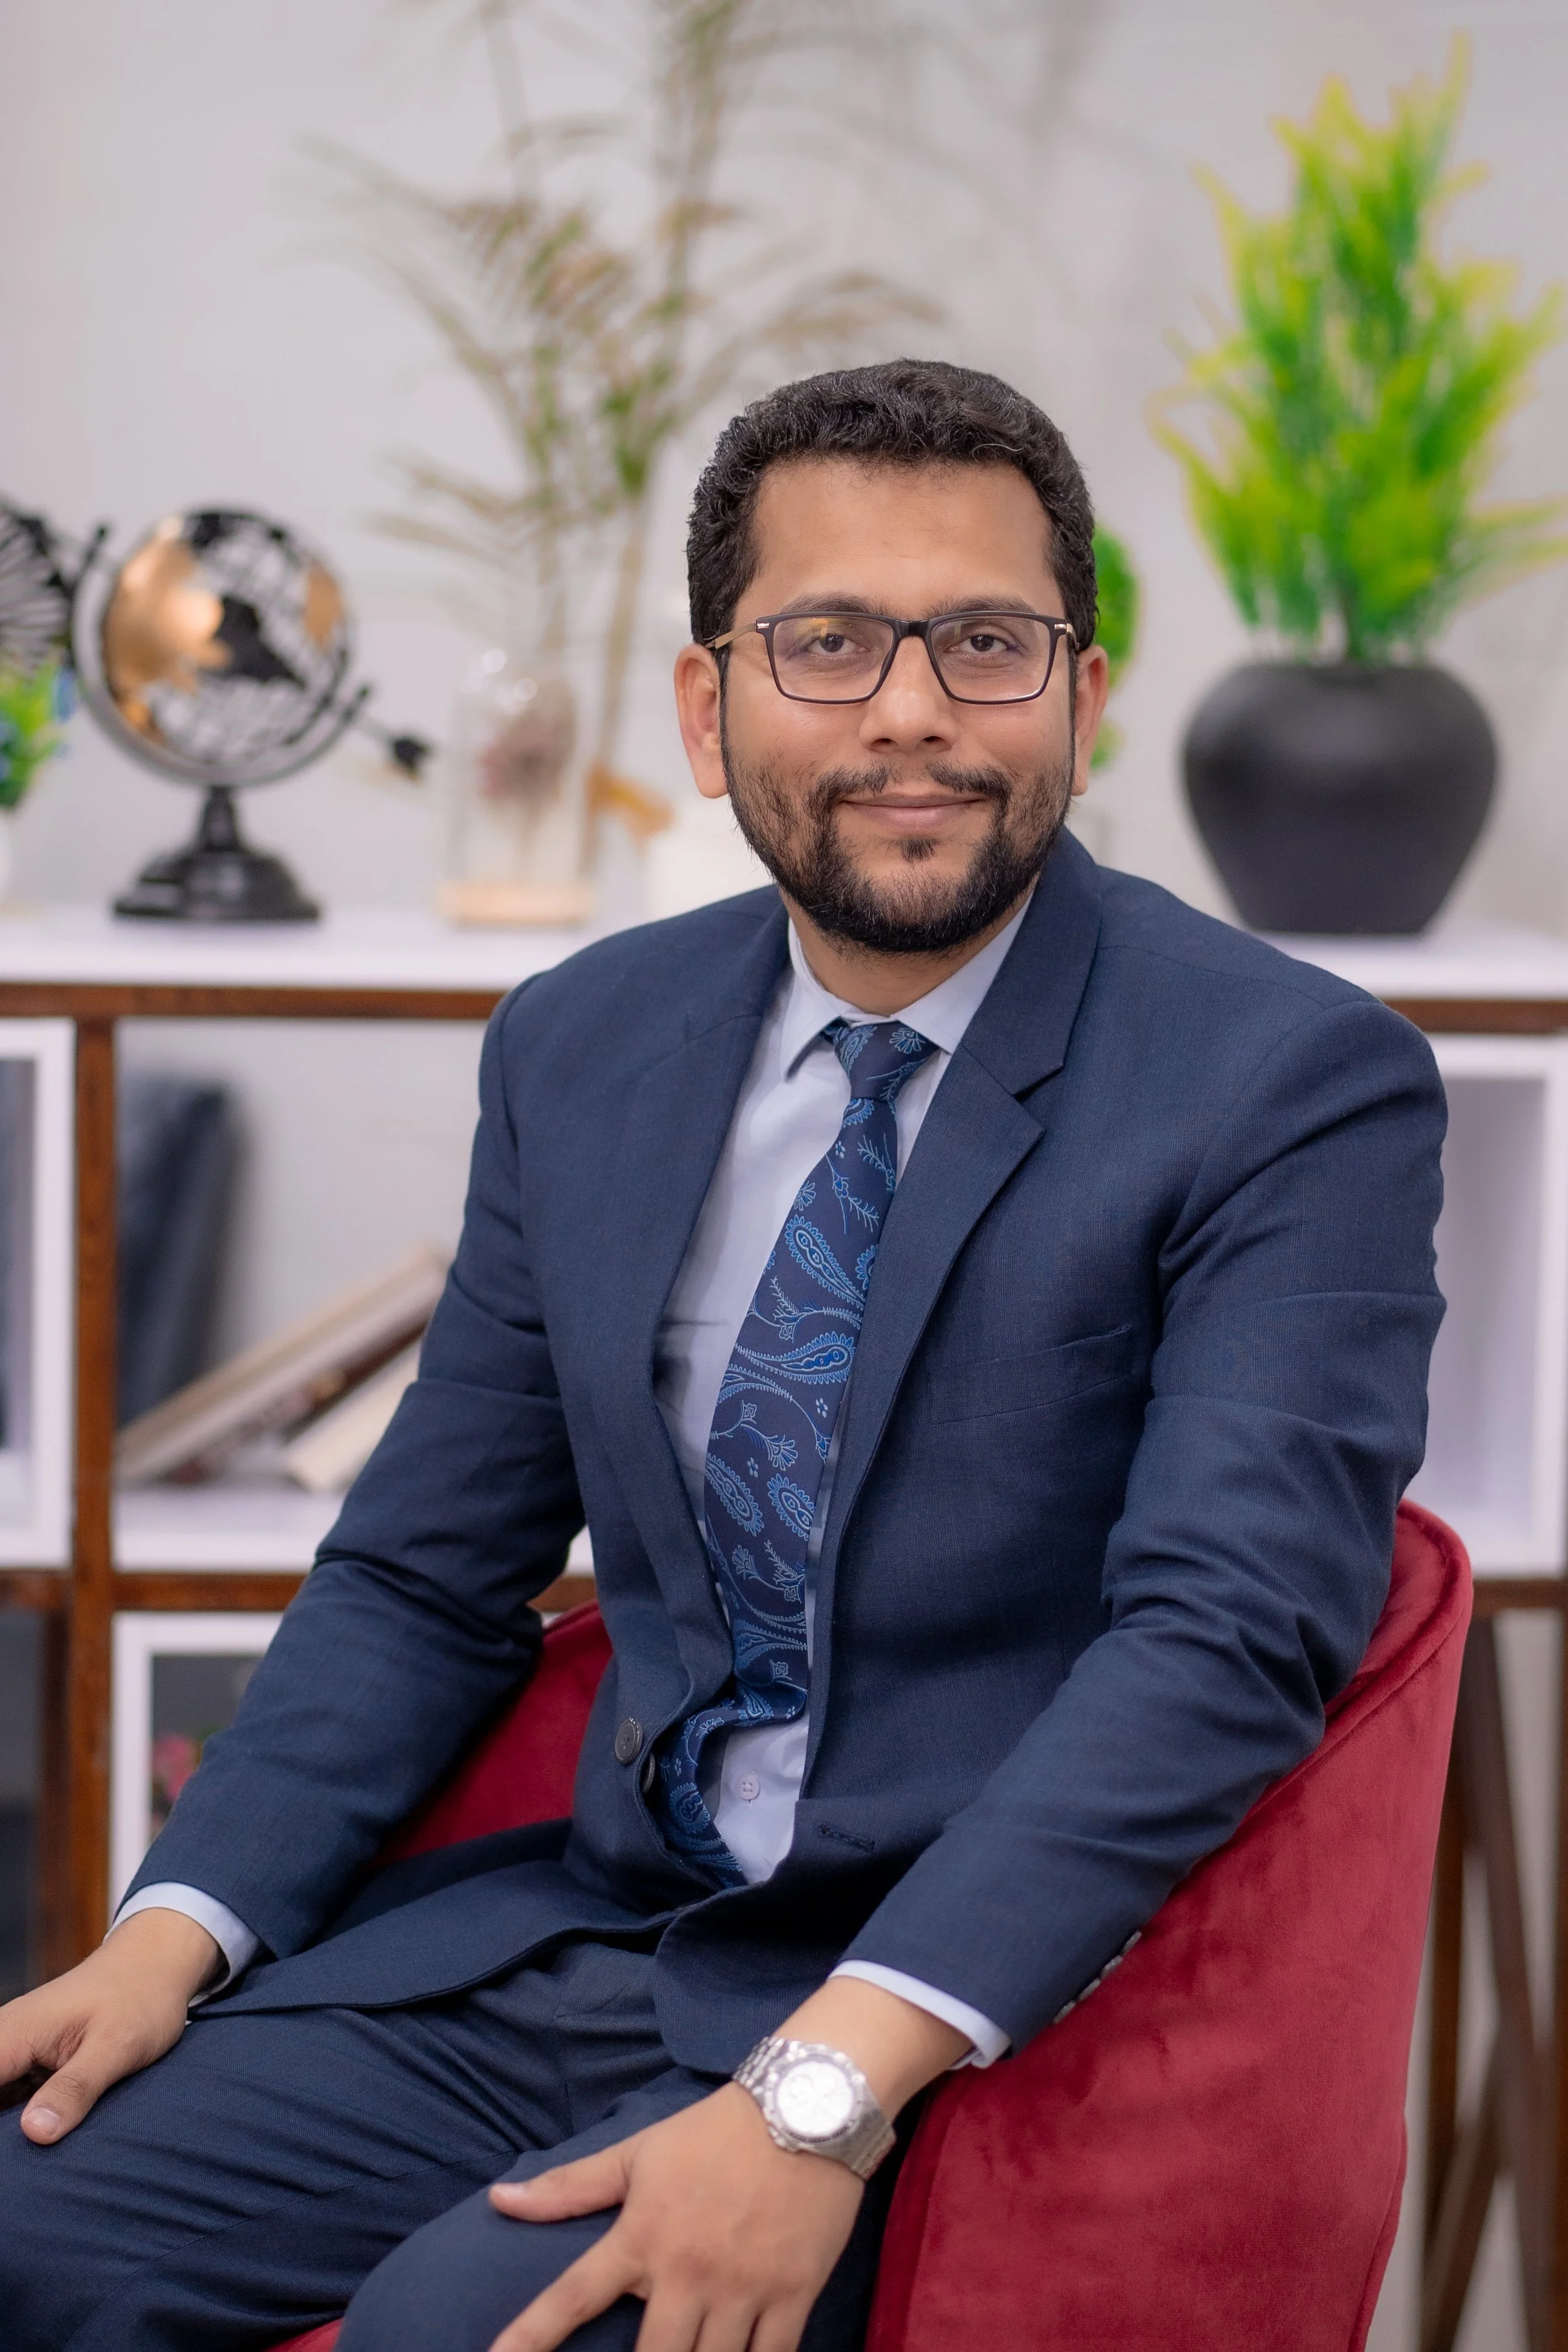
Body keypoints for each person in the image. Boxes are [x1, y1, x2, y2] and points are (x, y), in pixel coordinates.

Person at [0, 358, 1446, 2352]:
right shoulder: (580, 1042)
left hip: (960, 2006)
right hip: (603, 1938)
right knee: (26, 2214)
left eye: (988, 642)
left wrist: (825, 2087)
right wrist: (173, 1928)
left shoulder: (1289, 1080)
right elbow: (427, 1566)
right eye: (827, 642)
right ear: (710, 709)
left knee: (469, 2332)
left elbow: (1221, 1641)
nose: (911, 708)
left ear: (1082, 703)